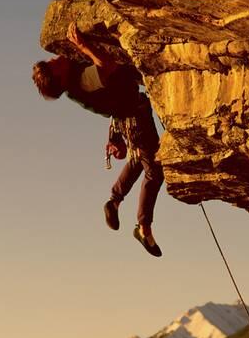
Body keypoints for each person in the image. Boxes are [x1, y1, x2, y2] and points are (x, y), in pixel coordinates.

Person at [32, 23, 163, 257]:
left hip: (132, 116)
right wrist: (84, 46)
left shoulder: (71, 73)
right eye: (53, 65)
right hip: (134, 118)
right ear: (60, 79)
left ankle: (114, 201)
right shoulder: (81, 81)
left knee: (140, 159)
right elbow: (107, 66)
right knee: (153, 169)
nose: (56, 59)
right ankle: (144, 227)